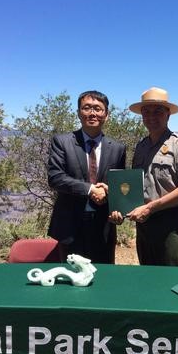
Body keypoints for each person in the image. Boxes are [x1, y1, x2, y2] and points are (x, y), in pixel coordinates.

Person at [111, 87, 178, 267]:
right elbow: (135, 185)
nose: (152, 117)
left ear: (168, 114)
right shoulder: (141, 146)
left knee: (174, 276)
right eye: (147, 112)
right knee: (148, 275)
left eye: (158, 111)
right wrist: (120, 207)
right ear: (142, 116)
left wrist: (150, 208)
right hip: (144, 223)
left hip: (170, 223)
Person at [48, 90, 126, 263]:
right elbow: (55, 177)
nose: (92, 113)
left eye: (98, 109)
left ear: (106, 114)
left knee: (104, 278)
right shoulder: (62, 142)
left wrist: (117, 204)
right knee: (70, 278)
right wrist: (90, 189)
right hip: (70, 226)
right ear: (78, 113)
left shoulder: (118, 148)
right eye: (87, 108)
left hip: (103, 227)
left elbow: (120, 185)